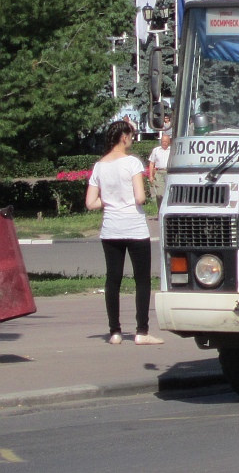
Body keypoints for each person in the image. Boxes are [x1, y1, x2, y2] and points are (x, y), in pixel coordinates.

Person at [85, 120, 164, 345]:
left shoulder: (99, 165)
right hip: (134, 227)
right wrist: (131, 198)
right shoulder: (132, 163)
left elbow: (90, 202)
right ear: (124, 137)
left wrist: (109, 200)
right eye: (131, 135)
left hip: (110, 228)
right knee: (142, 280)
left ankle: (115, 332)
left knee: (113, 279)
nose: (132, 139)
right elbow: (139, 197)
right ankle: (142, 332)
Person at [147, 134, 171, 209]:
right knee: (160, 194)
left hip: (169, 172)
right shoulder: (156, 150)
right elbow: (151, 163)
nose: (164, 143)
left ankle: (166, 209)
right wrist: (151, 176)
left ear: (169, 142)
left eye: (166, 141)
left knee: (168, 193)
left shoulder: (172, 150)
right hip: (159, 173)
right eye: (163, 141)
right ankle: (160, 208)